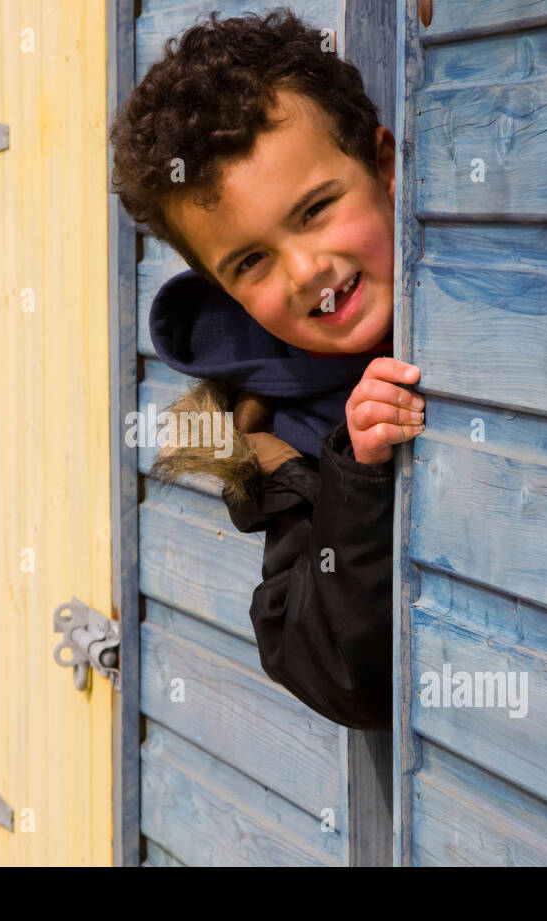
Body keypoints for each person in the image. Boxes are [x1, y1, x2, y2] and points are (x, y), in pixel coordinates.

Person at [109, 10, 423, 730]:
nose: (307, 270)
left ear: (384, 166)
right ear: (226, 293)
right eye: (251, 262)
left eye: (315, 210)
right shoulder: (276, 431)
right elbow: (337, 673)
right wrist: (358, 474)